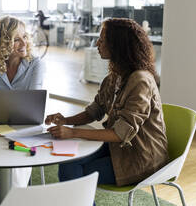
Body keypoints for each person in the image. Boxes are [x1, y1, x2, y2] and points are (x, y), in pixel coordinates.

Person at [45, 18, 169, 191]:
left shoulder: (140, 81)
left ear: (118, 45)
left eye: (103, 40)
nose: (97, 43)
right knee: (69, 163)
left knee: (78, 175)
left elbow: (120, 134)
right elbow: (94, 111)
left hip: (141, 156)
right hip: (117, 148)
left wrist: (72, 132)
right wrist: (65, 120)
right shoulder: (115, 77)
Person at [0, 16, 44, 206]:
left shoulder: (35, 64)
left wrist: (2, 108)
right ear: (4, 42)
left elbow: (32, 103)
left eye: (25, 37)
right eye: (16, 39)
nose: (24, 43)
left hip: (26, 128)